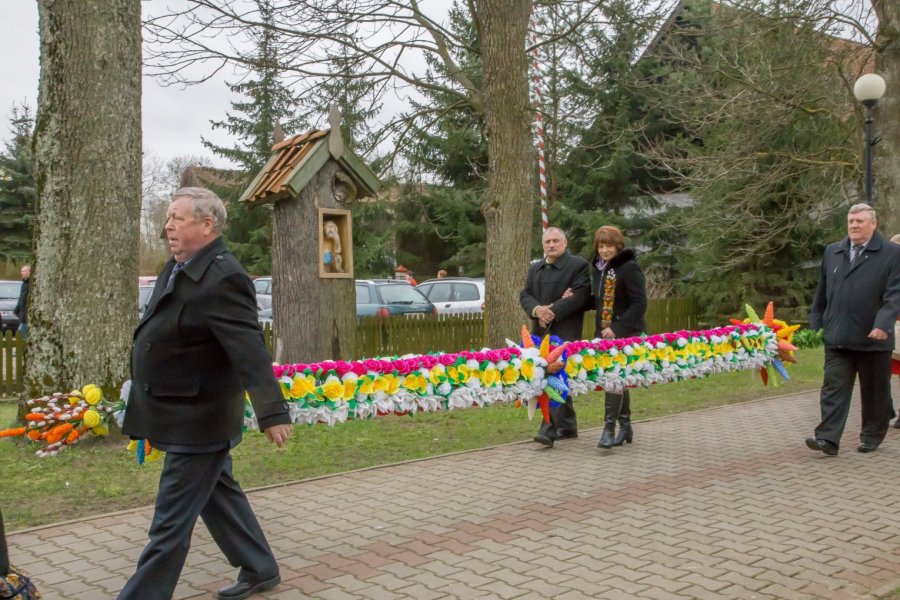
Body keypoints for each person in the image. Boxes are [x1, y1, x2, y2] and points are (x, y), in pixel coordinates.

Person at [119, 187, 293, 600]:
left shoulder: (224, 276)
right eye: (168, 218)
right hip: (177, 409)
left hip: (199, 419)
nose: (168, 226)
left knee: (169, 525)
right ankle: (260, 568)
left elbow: (248, 348)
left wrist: (272, 412)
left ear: (207, 225)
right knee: (219, 495)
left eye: (178, 218)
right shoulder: (177, 266)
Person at [806, 203, 900, 456]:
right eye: (851, 221)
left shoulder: (892, 253)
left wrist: (883, 324)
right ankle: (827, 438)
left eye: (860, 221)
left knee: (875, 393)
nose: (854, 225)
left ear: (873, 224)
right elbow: (822, 293)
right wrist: (817, 324)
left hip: (873, 338)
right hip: (837, 336)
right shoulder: (832, 252)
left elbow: (895, 296)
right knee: (833, 388)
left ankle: (871, 435)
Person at [519, 227, 591, 447]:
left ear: (565, 243)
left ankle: (548, 429)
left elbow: (580, 296)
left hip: (565, 329)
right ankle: (567, 426)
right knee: (545, 374)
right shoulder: (535, 269)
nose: (551, 245)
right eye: (547, 241)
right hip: (540, 332)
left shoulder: (578, 266)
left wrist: (551, 311)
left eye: (556, 241)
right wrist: (537, 310)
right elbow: (525, 294)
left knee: (553, 374)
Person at [587, 226, 647, 450]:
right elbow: (599, 301)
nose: (604, 250)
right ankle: (625, 426)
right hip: (604, 334)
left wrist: (617, 327)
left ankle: (609, 429)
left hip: (626, 334)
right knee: (616, 379)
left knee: (615, 378)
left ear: (618, 246)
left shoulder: (629, 268)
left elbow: (639, 303)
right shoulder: (600, 270)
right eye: (601, 246)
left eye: (609, 246)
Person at [13, 265, 29, 339]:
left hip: (26, 315)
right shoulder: (24, 284)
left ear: (29, 272)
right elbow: (21, 298)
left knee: (21, 336)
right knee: (21, 336)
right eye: (21, 271)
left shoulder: (30, 284)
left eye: (24, 271)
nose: (22, 273)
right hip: (22, 314)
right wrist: (16, 310)